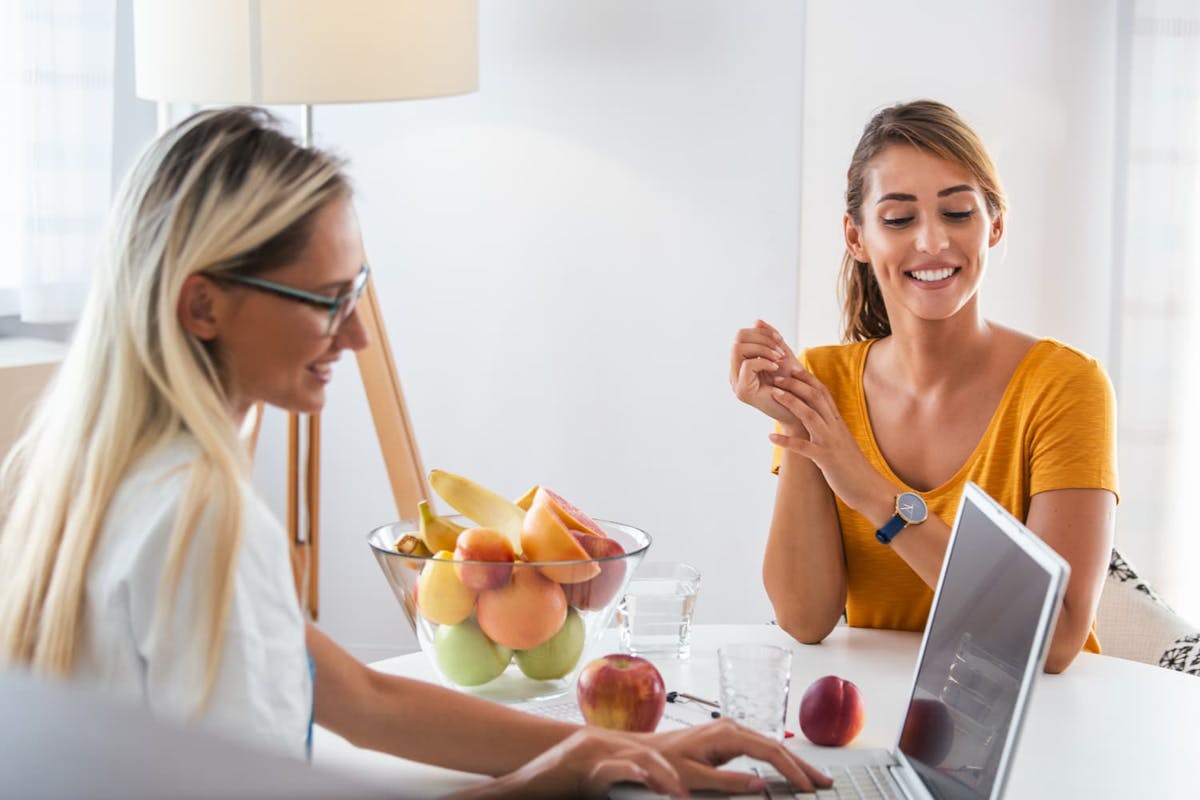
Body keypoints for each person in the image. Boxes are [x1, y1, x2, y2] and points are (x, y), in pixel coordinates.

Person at [0, 107, 831, 798]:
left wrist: (590, 747)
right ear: (203, 305)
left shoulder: (89, 481)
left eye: (357, 291)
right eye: (328, 301)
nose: (357, 334)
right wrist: (540, 783)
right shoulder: (201, 524)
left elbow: (359, 695)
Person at [729, 100, 1117, 675]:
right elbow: (805, 618)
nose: (933, 241)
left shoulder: (1064, 387)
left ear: (995, 225)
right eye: (899, 218)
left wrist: (870, 493)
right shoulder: (825, 380)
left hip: (1041, 722)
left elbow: (1054, 641)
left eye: (958, 212)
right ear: (856, 237)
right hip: (878, 717)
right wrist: (797, 416)